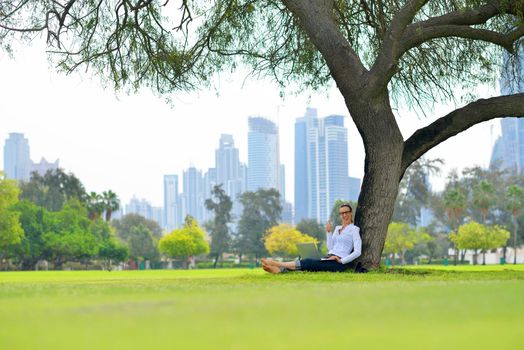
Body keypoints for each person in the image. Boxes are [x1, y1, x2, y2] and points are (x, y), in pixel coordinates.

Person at [262, 202, 362, 273]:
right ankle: (280, 271)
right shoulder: (337, 228)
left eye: (346, 212)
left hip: (338, 263)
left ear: (351, 213)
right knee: (304, 259)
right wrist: (328, 232)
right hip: (329, 257)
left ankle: (276, 264)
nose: (344, 215)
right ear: (340, 215)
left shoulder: (354, 229)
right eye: (342, 213)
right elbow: (330, 248)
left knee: (309, 262)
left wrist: (341, 260)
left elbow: (358, 251)